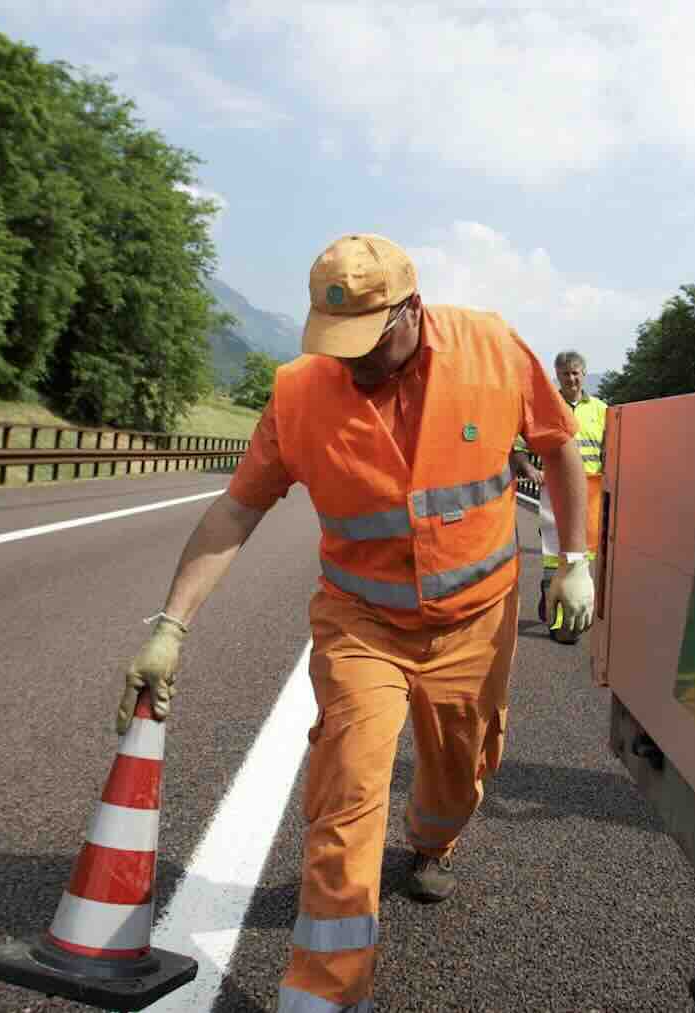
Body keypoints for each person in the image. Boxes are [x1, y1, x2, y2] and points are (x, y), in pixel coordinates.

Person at [113, 233, 596, 1012]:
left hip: (476, 621)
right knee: (347, 787)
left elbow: (559, 447)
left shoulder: (492, 347)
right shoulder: (303, 391)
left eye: (366, 344)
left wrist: (574, 556)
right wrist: (171, 624)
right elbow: (238, 507)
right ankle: (325, 994)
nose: (352, 363)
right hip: (361, 621)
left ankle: (434, 839)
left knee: (461, 773)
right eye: (336, 344)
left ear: (411, 310)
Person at [509, 350, 608, 644]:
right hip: (554, 492)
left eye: (576, 373)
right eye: (565, 374)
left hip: (591, 492)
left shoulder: (602, 409)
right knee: (555, 558)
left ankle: (563, 602)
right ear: (558, 376)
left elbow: (612, 448)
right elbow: (517, 446)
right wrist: (528, 469)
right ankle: (560, 623)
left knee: (582, 558)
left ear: (584, 373)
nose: (571, 378)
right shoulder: (546, 409)